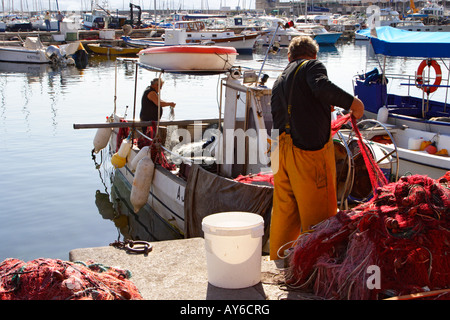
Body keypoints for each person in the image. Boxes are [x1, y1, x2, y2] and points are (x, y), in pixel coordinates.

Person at [269, 36, 364, 260]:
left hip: (277, 151)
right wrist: (354, 104)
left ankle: (281, 261)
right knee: (319, 215)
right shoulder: (312, 66)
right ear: (313, 55)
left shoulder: (279, 79)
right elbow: (320, 86)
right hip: (306, 153)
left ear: (289, 57)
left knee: (285, 212)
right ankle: (317, 265)